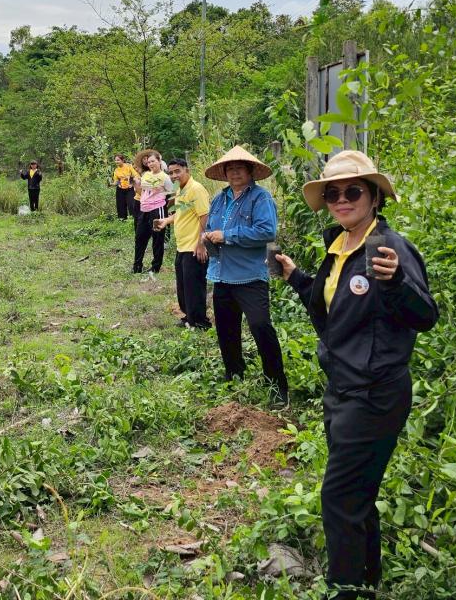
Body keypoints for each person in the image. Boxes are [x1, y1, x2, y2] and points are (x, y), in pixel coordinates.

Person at [276, 150, 437, 599]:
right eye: (333, 194)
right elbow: (338, 311)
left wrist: (397, 282)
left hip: (375, 393)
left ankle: (345, 590)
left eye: (353, 191)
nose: (342, 200)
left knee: (340, 498)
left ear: (374, 197)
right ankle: (366, 580)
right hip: (342, 388)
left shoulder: (388, 248)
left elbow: (425, 315)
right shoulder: (339, 246)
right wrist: (297, 278)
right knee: (357, 493)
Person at [201, 146, 288, 405]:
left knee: (261, 327)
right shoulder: (219, 199)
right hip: (222, 276)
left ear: (250, 171)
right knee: (226, 330)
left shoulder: (261, 198)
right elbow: (210, 227)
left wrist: (227, 236)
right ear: (224, 173)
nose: (234, 172)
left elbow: (267, 232)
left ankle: (277, 385)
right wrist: (208, 238)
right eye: (230, 168)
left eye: (240, 168)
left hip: (251, 277)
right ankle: (234, 375)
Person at [154, 158, 211, 328]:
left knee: (194, 287)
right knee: (183, 286)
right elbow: (181, 212)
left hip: (194, 247)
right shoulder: (180, 189)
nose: (174, 175)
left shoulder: (196, 189)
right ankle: (189, 317)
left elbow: (205, 216)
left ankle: (200, 322)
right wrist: (166, 220)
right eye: (171, 172)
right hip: (182, 246)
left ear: (187, 170)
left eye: (177, 171)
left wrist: (201, 244)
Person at [132, 149, 173, 277]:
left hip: (158, 209)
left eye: (153, 161)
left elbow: (171, 192)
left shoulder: (165, 177)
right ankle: (137, 266)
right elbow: (142, 191)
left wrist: (166, 205)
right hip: (144, 209)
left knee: (157, 238)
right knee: (140, 237)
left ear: (159, 161)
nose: (150, 164)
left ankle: (155, 267)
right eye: (148, 162)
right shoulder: (146, 175)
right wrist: (137, 184)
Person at [110, 154, 137, 220]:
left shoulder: (129, 166)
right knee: (120, 205)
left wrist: (133, 183)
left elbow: (135, 175)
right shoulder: (116, 170)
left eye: (118, 160)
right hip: (120, 189)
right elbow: (116, 181)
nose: (116, 162)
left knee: (131, 204)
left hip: (129, 188)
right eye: (115, 160)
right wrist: (111, 184)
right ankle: (122, 219)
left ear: (122, 160)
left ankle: (134, 218)